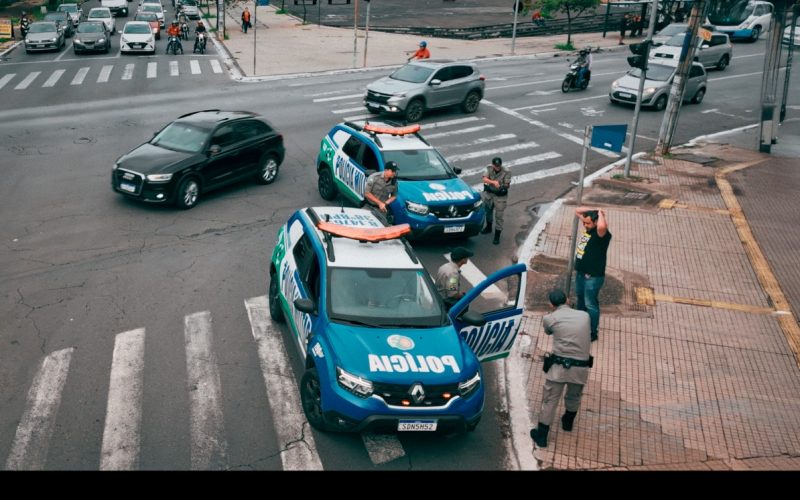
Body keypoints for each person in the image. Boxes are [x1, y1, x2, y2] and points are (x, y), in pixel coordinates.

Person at [529, 289, 593, 448]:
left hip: (558, 368)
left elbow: (548, 331)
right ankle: (567, 423)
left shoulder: (549, 318)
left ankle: (542, 437)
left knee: (550, 399)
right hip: (581, 368)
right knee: (574, 396)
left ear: (551, 304)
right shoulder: (585, 316)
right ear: (568, 299)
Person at [574, 207, 611, 342]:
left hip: (593, 277)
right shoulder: (589, 228)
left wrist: (600, 213)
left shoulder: (601, 234)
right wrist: (595, 208)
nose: (585, 225)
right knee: (581, 301)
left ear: (596, 222)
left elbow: (602, 225)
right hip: (581, 274)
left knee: (590, 304)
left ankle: (592, 332)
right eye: (584, 223)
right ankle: (580, 326)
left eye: (588, 223)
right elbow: (577, 210)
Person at [480, 157, 512, 245]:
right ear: (493, 165)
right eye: (496, 166)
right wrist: (493, 182)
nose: (497, 167)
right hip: (490, 195)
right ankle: (488, 227)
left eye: (499, 166)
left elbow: (506, 185)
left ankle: (497, 236)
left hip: (500, 197)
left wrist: (502, 187)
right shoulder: (489, 168)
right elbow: (484, 179)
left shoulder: (506, 171)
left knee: (499, 216)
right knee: (488, 212)